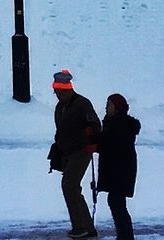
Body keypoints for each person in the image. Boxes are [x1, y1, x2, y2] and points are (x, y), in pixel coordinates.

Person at [51, 68, 101, 240]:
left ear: (69, 89)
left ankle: (80, 227)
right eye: (56, 92)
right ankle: (87, 228)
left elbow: (95, 126)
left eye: (61, 91)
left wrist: (80, 138)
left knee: (69, 186)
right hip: (67, 153)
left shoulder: (82, 104)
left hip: (81, 151)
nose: (58, 95)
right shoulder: (60, 107)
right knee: (73, 188)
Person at [97, 93, 141, 240]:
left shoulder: (119, 124)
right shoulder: (113, 122)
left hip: (120, 171)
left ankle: (125, 236)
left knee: (117, 203)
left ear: (117, 107)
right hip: (119, 169)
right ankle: (124, 236)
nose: (106, 107)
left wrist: (96, 142)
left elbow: (110, 144)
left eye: (109, 104)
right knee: (116, 202)